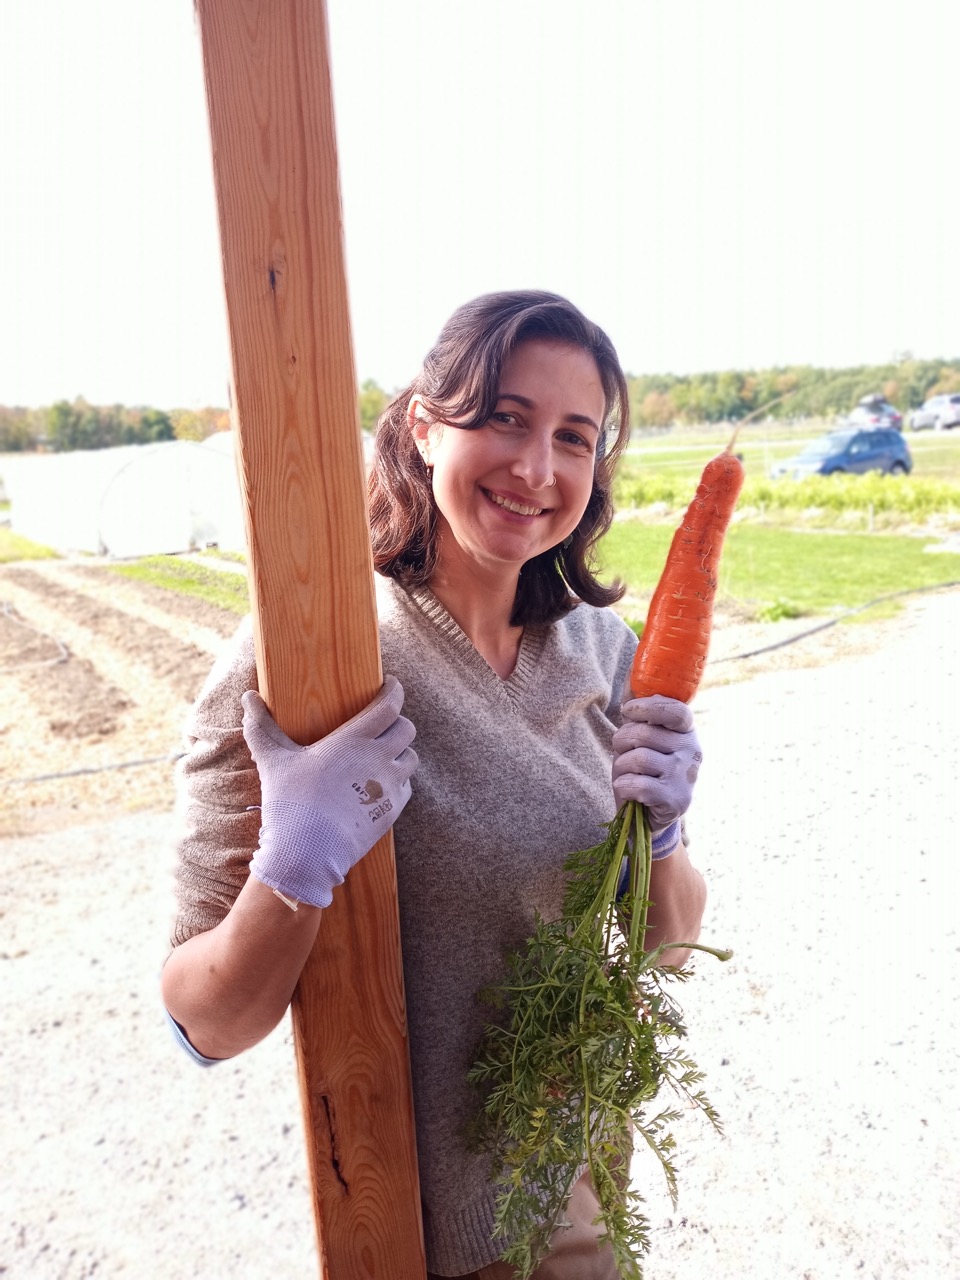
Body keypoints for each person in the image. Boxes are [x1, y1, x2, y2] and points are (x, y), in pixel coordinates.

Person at [161, 290, 707, 1279]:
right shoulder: (305, 666)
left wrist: (663, 840)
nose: (536, 467)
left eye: (573, 438)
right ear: (422, 425)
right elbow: (206, 1023)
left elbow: (666, 948)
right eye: (505, 417)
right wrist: (292, 868)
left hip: (580, 1184)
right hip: (417, 1231)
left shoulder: (605, 653)